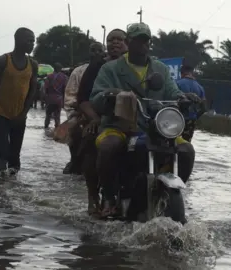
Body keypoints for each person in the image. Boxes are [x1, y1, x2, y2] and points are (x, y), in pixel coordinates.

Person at [90, 23, 200, 217]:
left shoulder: (160, 69)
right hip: (118, 126)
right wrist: (111, 95)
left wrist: (184, 98)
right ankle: (108, 197)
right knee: (109, 146)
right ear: (129, 42)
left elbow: (172, 92)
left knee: (186, 150)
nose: (142, 44)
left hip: (154, 127)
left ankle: (168, 190)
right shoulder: (111, 69)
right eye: (138, 40)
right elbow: (96, 98)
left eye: (145, 40)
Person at [75, 29, 128, 215]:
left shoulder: (134, 66)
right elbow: (82, 99)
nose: (115, 43)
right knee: (91, 142)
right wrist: (95, 118)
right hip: (99, 117)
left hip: (132, 120)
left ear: (127, 42)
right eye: (111, 40)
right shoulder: (97, 66)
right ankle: (94, 196)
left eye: (119, 39)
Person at [0, 27, 38, 178]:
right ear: (18, 40)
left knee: (15, 159)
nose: (32, 44)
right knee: (2, 154)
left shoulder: (33, 65)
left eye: (33, 41)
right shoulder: (2, 61)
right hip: (1, 114)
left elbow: (32, 91)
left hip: (19, 117)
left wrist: (23, 114)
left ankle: (10, 192)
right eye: (29, 41)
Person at [62, 42, 105, 175]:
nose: (96, 53)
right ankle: (74, 161)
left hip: (102, 112)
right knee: (74, 131)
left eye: (99, 50)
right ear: (89, 52)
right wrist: (81, 110)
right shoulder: (78, 71)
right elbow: (70, 95)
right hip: (80, 112)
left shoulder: (107, 69)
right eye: (93, 50)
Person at [176, 64, 206, 142]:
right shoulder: (200, 87)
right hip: (191, 121)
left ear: (182, 73)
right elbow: (204, 108)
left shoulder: (178, 83)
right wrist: (195, 117)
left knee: (173, 143)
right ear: (191, 73)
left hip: (177, 118)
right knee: (186, 145)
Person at [43, 63, 68, 129]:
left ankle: (45, 130)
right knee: (57, 116)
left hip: (50, 99)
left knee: (48, 115)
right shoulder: (64, 77)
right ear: (60, 69)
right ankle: (57, 130)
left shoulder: (49, 76)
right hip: (59, 99)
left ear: (54, 68)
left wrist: (44, 98)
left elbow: (45, 88)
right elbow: (65, 89)